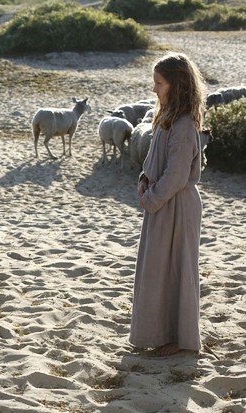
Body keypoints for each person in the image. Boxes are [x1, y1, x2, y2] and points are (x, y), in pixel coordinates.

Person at [130, 52, 207, 356]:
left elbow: (176, 176)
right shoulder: (167, 118)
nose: (154, 89)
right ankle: (161, 333)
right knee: (158, 271)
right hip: (163, 205)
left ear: (176, 85)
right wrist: (144, 179)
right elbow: (158, 163)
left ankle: (179, 339)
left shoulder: (185, 125)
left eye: (159, 83)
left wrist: (150, 198)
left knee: (176, 270)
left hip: (176, 207)